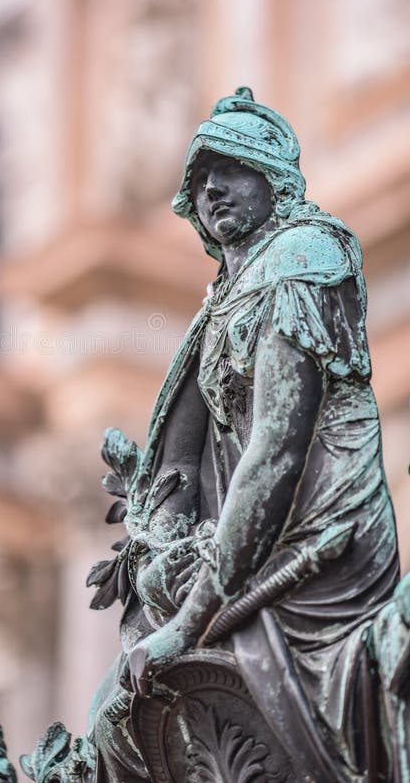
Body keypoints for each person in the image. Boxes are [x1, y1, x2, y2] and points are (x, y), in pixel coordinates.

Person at [87, 87, 409, 782]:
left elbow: (275, 450)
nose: (209, 189)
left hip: (315, 550)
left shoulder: (303, 255)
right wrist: (164, 547)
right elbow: (181, 451)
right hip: (249, 549)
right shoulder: (221, 296)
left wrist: (192, 616)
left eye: (229, 168)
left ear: (274, 179)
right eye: (197, 180)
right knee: (112, 719)